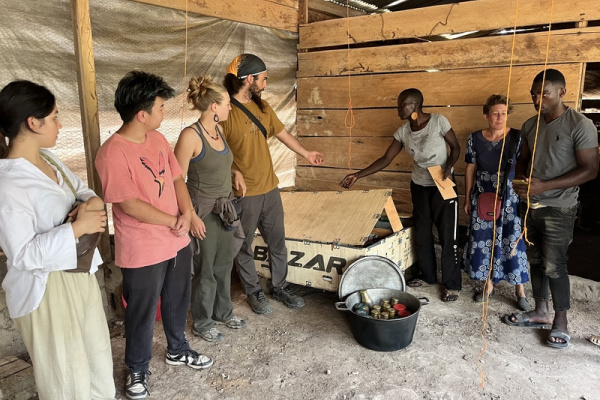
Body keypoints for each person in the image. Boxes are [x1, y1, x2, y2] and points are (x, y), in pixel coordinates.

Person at [95, 71, 212, 399]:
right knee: (142, 310)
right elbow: (128, 204)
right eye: (161, 107)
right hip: (143, 247)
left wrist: (187, 213)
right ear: (141, 114)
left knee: (178, 299)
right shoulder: (112, 153)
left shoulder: (158, 140)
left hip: (176, 238)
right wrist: (173, 219)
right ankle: (136, 366)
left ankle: (177, 348)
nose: (164, 112)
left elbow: (177, 179)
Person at [0, 80, 115, 399]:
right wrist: (77, 228)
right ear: (32, 123)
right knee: (66, 378)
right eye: (54, 116)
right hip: (46, 289)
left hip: (79, 272)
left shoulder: (50, 161)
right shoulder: (9, 185)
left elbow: (84, 191)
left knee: (97, 362)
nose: (60, 124)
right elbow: (22, 255)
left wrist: (89, 205)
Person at [221, 54, 324, 314]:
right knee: (243, 247)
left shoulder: (264, 108)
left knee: (277, 242)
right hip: (243, 195)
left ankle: (280, 286)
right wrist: (232, 170)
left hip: (270, 189)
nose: (266, 84)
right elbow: (214, 149)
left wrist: (306, 153)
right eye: (263, 79)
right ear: (249, 79)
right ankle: (254, 292)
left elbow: (282, 134)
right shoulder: (224, 112)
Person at [504, 69, 599, 349]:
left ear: (562, 92)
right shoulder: (530, 125)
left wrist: (544, 186)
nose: (537, 99)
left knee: (555, 265)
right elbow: (523, 159)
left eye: (543, 93)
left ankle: (561, 320)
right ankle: (540, 311)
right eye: (534, 94)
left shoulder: (580, 125)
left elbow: (591, 170)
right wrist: (521, 181)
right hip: (531, 203)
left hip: (560, 206)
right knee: (535, 260)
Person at [341, 88, 461, 302]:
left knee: (447, 235)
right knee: (422, 233)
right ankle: (428, 277)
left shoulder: (439, 121)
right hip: (419, 185)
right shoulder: (403, 132)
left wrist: (449, 166)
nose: (398, 109)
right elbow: (385, 159)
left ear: (415, 106)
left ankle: (452, 284)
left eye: (402, 105)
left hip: (443, 184)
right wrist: (358, 175)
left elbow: (456, 148)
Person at [174, 75, 246, 342]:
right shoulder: (190, 136)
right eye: (227, 103)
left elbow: (219, 164)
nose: (230, 107)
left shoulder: (218, 131)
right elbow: (176, 179)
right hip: (203, 211)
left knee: (224, 265)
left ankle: (224, 312)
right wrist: (190, 215)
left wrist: (234, 173)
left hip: (226, 208)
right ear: (213, 106)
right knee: (205, 269)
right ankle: (202, 322)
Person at [461, 94, 530, 310]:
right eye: (495, 113)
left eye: (503, 113)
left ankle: (520, 290)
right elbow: (470, 167)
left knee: (513, 240)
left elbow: (525, 166)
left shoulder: (518, 138)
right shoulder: (474, 139)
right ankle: (488, 285)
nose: (499, 118)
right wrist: (468, 196)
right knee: (483, 240)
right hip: (483, 195)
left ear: (507, 115)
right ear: (486, 116)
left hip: (510, 196)